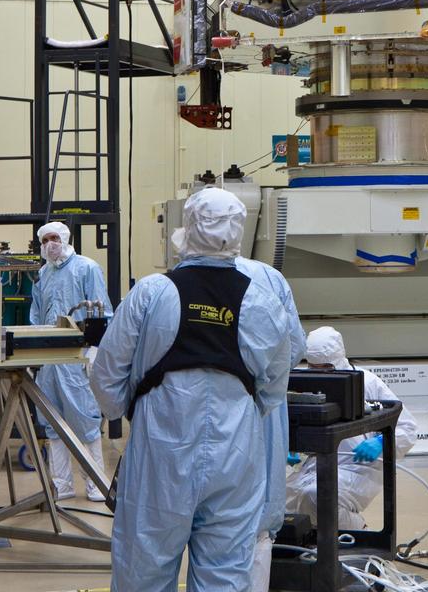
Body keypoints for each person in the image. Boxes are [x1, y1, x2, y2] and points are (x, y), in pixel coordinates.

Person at [92, 187, 292, 592]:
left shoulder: (151, 292)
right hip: (237, 451)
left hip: (162, 448)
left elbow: (107, 375)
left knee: (144, 566)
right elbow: (274, 389)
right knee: (226, 568)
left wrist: (121, 409)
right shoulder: (263, 300)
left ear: (187, 227)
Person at [166, 222, 307, 592]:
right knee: (254, 519)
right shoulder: (268, 278)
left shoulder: (174, 281)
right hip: (258, 406)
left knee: (180, 522)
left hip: (181, 417)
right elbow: (292, 349)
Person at [285, 326, 418, 530]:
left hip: (361, 465)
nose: (317, 373)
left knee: (318, 496)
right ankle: (308, 544)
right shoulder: (307, 382)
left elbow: (407, 427)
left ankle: (360, 535)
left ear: (337, 360)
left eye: (324, 367)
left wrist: (381, 441)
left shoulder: (367, 382)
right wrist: (290, 445)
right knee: (278, 503)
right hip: (315, 463)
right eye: (313, 366)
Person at [30, 220, 111, 501]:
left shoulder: (87, 268)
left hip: (77, 355)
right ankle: (61, 484)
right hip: (50, 358)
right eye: (43, 241)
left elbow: (103, 312)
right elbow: (37, 315)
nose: (48, 244)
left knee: (84, 418)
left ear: (64, 239)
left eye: (53, 238)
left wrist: (95, 351)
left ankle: (96, 482)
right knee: (52, 421)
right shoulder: (43, 274)